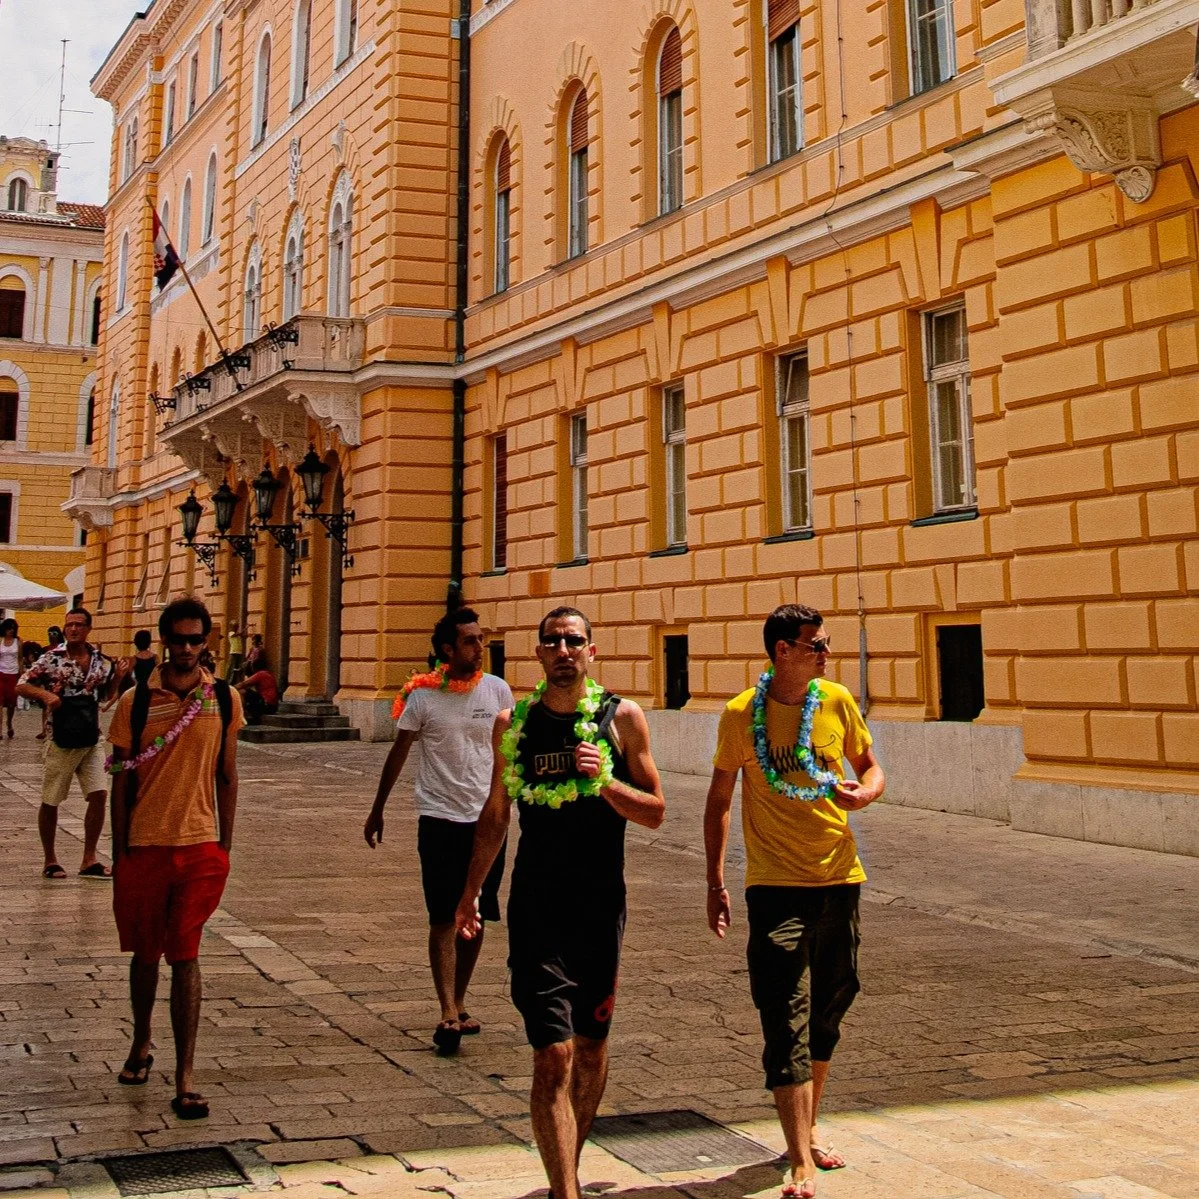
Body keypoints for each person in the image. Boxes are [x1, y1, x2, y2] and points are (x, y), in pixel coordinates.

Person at [455, 607, 665, 1199]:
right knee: (554, 1053)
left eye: (575, 640)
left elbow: (655, 811)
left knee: (592, 1052)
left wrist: (606, 784)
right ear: (539, 653)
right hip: (537, 905)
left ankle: (564, 1174)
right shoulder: (512, 724)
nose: (564, 650)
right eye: (553, 641)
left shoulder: (621, 718)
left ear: (591, 651)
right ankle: (565, 1192)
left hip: (600, 908)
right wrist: (470, 892)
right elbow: (496, 813)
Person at [703, 604, 885, 1199]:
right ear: (782, 650)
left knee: (833, 1001)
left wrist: (867, 796)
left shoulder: (835, 700)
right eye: (816, 643)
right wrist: (715, 880)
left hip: (840, 874)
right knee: (786, 1013)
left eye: (825, 642)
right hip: (775, 883)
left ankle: (802, 1133)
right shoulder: (740, 715)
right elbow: (720, 800)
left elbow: (871, 765)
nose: (825, 651)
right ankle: (800, 1160)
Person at [107, 596, 244, 1120]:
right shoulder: (135, 702)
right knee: (145, 956)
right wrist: (119, 851)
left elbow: (227, 774)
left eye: (195, 639)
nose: (187, 648)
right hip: (144, 845)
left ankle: (186, 1076)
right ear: (165, 639)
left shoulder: (226, 699)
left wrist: (224, 845)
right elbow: (119, 781)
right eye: (179, 639)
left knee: (186, 958)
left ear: (206, 641)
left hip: (199, 845)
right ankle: (142, 1040)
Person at [365, 608, 513, 1054]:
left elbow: (512, 751)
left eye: (481, 638)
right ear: (447, 649)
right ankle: (447, 1009)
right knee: (444, 915)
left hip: (488, 821)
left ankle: (461, 998)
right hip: (440, 818)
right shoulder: (423, 698)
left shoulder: (498, 690)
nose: (479, 647)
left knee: (478, 913)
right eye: (469, 640)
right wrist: (378, 809)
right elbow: (399, 753)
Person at [17, 607, 125, 879]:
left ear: (88, 628)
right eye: (69, 625)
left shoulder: (100, 659)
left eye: (78, 625)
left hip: (90, 737)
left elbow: (106, 696)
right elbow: (21, 685)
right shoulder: (51, 658)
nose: (73, 629)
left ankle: (89, 858)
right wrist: (45, 696)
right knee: (51, 799)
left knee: (99, 794)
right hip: (61, 738)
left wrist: (119, 678)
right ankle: (50, 859)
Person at [235, 660, 278, 724]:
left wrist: (229, 688)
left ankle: (242, 715)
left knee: (241, 692)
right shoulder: (268, 674)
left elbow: (242, 684)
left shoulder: (260, 674)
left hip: (266, 705)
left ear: (253, 667)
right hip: (273, 707)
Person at [0, 618, 21, 738]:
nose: (11, 631)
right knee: (0, 702)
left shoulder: (18, 642)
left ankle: (9, 723)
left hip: (13, 674)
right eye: (9, 628)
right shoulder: (0, 641)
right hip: (1, 673)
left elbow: (19, 659)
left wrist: (22, 675)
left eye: (13, 628)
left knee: (11, 703)